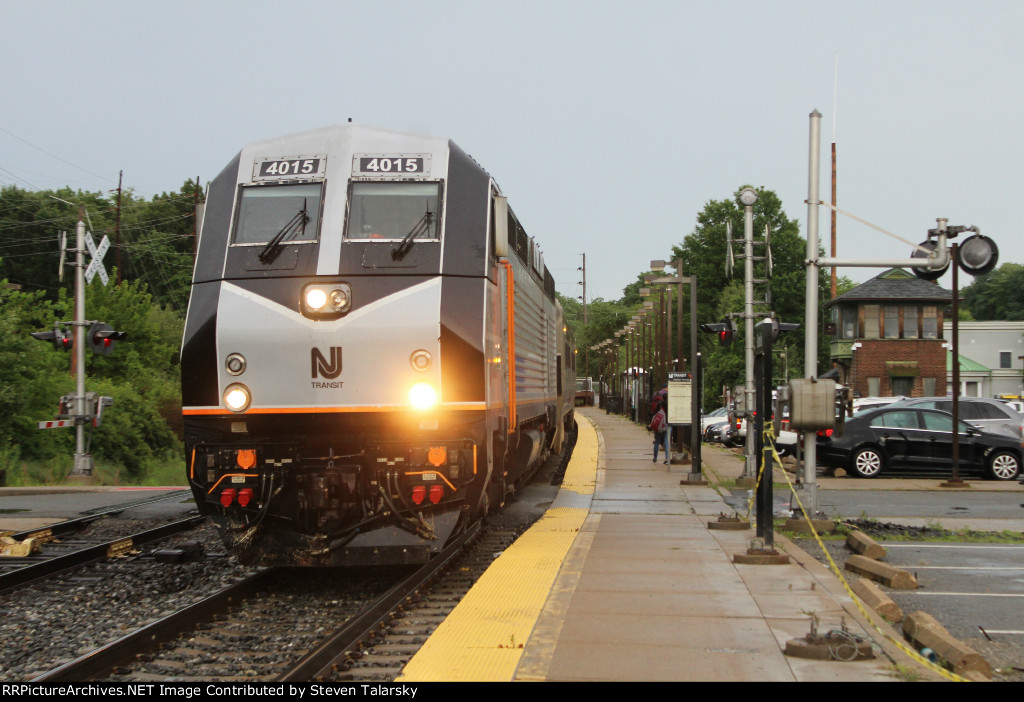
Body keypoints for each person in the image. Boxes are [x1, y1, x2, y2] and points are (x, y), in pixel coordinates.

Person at [648, 400, 671, 465]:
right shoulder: (670, 404)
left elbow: (654, 414)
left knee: (657, 442)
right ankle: (667, 457)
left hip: (659, 426)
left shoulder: (660, 405)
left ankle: (655, 458)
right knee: (666, 441)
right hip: (666, 425)